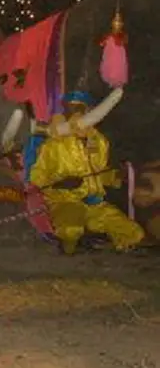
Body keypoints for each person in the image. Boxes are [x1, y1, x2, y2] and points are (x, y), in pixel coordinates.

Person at [30, 91, 145, 255]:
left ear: (90, 110)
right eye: (70, 108)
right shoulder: (52, 145)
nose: (75, 113)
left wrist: (117, 176)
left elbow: (100, 175)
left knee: (134, 234)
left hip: (95, 203)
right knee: (71, 231)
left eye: (80, 108)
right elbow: (37, 178)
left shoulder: (100, 142)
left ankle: (101, 245)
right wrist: (60, 183)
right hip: (66, 202)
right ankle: (74, 248)